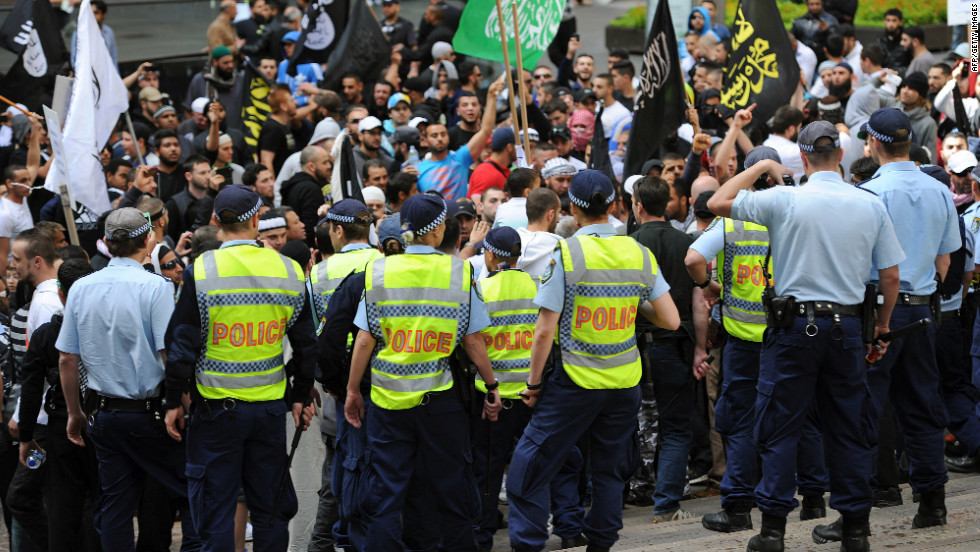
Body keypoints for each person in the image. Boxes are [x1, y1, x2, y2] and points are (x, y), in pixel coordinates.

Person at [707, 120, 904, 552]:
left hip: (794, 328)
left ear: (803, 155)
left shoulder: (784, 199)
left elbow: (717, 199)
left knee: (779, 427)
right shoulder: (868, 203)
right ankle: (854, 529)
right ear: (841, 156)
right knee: (848, 428)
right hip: (848, 327)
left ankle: (773, 531)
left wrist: (762, 169)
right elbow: (890, 277)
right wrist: (882, 327)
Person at [507, 170, 680, 552]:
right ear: (615, 204)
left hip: (576, 382)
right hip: (623, 385)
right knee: (609, 472)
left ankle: (527, 543)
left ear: (572, 208)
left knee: (529, 465)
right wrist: (631, 302)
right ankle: (601, 544)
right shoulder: (638, 252)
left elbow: (543, 331)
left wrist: (533, 385)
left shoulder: (568, 253)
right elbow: (671, 319)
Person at [343, 194, 502, 550]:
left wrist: (354, 390)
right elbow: (473, 341)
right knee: (451, 490)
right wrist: (491, 385)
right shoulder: (460, 272)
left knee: (386, 494)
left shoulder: (378, 270)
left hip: (388, 402)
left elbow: (365, 340)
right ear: (440, 228)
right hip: (439, 401)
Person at [163, 185, 318, 550]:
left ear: (216, 220)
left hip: (217, 412)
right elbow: (307, 345)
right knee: (271, 510)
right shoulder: (289, 270)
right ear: (256, 219)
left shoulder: (201, 270)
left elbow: (181, 344)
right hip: (267, 411)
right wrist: (299, 396)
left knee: (216, 510)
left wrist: (172, 401)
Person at [831, 108, 959, 541]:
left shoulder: (869, 193)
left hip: (879, 314)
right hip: (923, 309)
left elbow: (859, 262)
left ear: (872, 144)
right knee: (923, 408)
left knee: (862, 412)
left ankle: (855, 514)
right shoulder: (938, 188)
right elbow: (945, 260)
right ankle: (933, 502)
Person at [689, 147, 830, 534]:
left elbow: (692, 259)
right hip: (793, 333)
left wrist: (709, 286)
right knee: (800, 414)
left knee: (740, 423)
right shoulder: (798, 210)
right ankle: (815, 497)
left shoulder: (732, 221)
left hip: (744, 343)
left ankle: (737, 507)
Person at [57, 208, 202, 552]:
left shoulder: (80, 288)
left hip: (105, 416)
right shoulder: (157, 287)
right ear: (149, 240)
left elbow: (66, 357)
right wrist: (184, 406)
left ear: (107, 243)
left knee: (116, 508)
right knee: (191, 492)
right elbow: (170, 356)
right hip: (150, 415)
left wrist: (74, 413)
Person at [627, 176, 701, 521]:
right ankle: (666, 502)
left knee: (628, 422)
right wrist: (701, 347)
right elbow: (701, 299)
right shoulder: (687, 242)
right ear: (668, 204)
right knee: (675, 427)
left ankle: (632, 494)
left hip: (634, 347)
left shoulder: (629, 246)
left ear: (638, 206)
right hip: (677, 345)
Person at [16, 258, 98, 552]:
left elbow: (31, 389)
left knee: (63, 505)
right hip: (103, 422)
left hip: (62, 426)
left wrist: (26, 437)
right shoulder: (107, 326)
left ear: (61, 293)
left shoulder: (47, 335)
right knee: (102, 502)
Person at [417, 78, 502, 201]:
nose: (440, 138)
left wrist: (491, 96)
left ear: (448, 137)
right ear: (424, 140)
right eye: (434, 136)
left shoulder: (460, 159)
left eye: (443, 134)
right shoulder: (418, 170)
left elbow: (486, 130)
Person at [309, 200, 382, 325]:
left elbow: (316, 325)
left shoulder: (318, 272)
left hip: (335, 343)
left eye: (330, 229)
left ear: (339, 231)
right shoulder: (383, 259)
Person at [281, 146, 331, 249]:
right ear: (311, 166)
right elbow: (311, 225)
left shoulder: (294, 184)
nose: (329, 166)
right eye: (325, 163)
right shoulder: (311, 189)